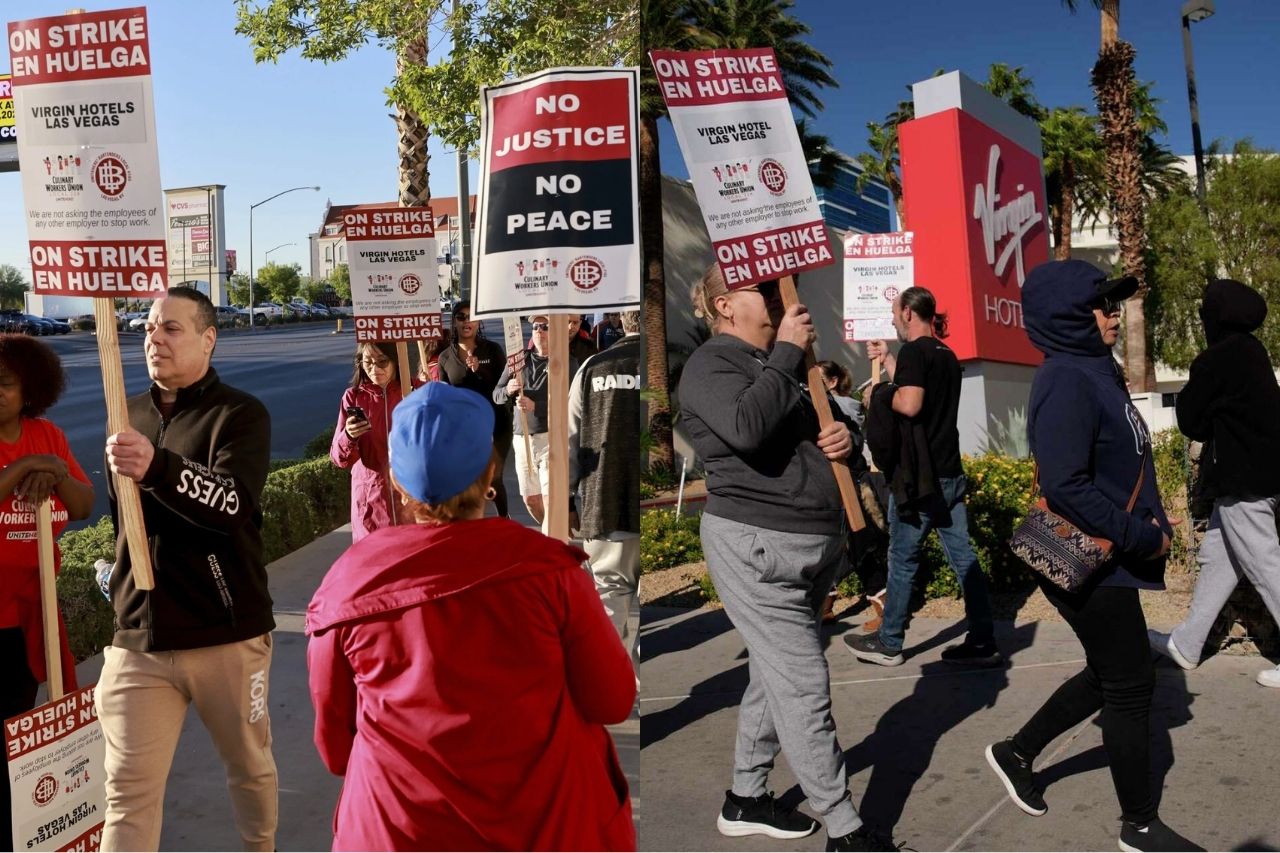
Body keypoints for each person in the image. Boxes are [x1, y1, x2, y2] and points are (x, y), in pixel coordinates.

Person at [307, 382, 636, 851]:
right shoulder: (550, 571)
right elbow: (611, 700)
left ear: (397, 484)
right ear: (491, 472)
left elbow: (336, 749)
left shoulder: (346, 585)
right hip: (549, 826)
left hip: (395, 832)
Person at [984, 259, 1198, 852]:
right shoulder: (1066, 380)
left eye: (1112, 304)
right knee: (1130, 683)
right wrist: (1139, 534)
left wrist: (1152, 514)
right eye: (1102, 305)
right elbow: (1066, 486)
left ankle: (1016, 751)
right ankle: (1141, 825)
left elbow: (1117, 462)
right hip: (1086, 558)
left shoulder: (1097, 370)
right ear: (1068, 315)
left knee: (1113, 673)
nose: (1112, 314)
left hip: (1112, 554)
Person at [679, 264, 895, 852]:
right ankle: (846, 830)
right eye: (765, 290)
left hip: (805, 545)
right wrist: (787, 354)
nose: (780, 296)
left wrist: (839, 442)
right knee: (803, 685)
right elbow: (746, 427)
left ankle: (747, 796)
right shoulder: (712, 364)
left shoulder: (779, 363)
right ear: (725, 306)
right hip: (757, 548)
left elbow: (798, 439)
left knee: (772, 675)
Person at [100, 287, 277, 851]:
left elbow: (232, 505)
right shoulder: (123, 413)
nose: (154, 338)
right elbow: (123, 524)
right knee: (126, 794)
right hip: (140, 640)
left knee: (249, 769)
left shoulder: (240, 414)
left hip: (226, 633)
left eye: (171, 328)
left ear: (208, 338)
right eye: (149, 327)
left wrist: (159, 467)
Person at [844, 287, 998, 667]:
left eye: (895, 313)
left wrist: (879, 393)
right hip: (949, 473)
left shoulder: (916, 351)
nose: (894, 320)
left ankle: (889, 642)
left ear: (909, 314)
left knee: (902, 558)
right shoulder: (944, 354)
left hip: (919, 479)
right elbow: (921, 390)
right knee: (964, 558)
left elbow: (910, 403)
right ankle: (983, 640)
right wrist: (890, 361)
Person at [1149, 278, 1280, 689]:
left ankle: (1188, 643)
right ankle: (1187, 644)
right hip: (1263, 477)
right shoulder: (1253, 351)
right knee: (1217, 559)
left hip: (1245, 483)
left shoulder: (1216, 359)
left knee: (1266, 567)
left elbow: (1191, 421)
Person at [0, 334, 93, 845]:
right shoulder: (28, 452)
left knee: (20, 731)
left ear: (30, 388)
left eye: (7, 383)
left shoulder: (48, 435)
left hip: (30, 615)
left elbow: (80, 506)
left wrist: (53, 468)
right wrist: (23, 468)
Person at [569, 309, 641, 673]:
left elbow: (570, 437)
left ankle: (609, 679)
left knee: (611, 592)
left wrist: (566, 499)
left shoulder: (594, 367)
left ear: (622, 323)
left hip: (604, 498)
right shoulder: (661, 360)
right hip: (647, 500)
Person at [492, 314, 578, 529]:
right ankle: (558, 534)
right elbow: (496, 394)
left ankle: (554, 542)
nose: (540, 330)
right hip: (522, 438)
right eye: (536, 327)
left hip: (552, 438)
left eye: (546, 326)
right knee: (532, 501)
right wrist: (509, 389)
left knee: (550, 500)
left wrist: (536, 406)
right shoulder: (518, 360)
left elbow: (572, 401)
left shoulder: (566, 361)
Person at [437, 301, 512, 517]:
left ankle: (504, 519)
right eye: (461, 317)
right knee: (468, 476)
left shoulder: (493, 350)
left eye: (472, 316)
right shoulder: (445, 358)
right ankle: (472, 522)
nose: (466, 321)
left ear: (479, 322)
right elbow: (445, 395)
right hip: (464, 426)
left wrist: (480, 371)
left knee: (493, 475)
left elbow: (503, 388)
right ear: (454, 322)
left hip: (496, 422)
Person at [330, 341, 405, 542]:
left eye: (382, 362)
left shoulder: (414, 391)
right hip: (371, 499)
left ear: (396, 361)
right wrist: (349, 436)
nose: (375, 368)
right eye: (368, 362)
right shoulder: (353, 397)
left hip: (409, 496)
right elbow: (339, 459)